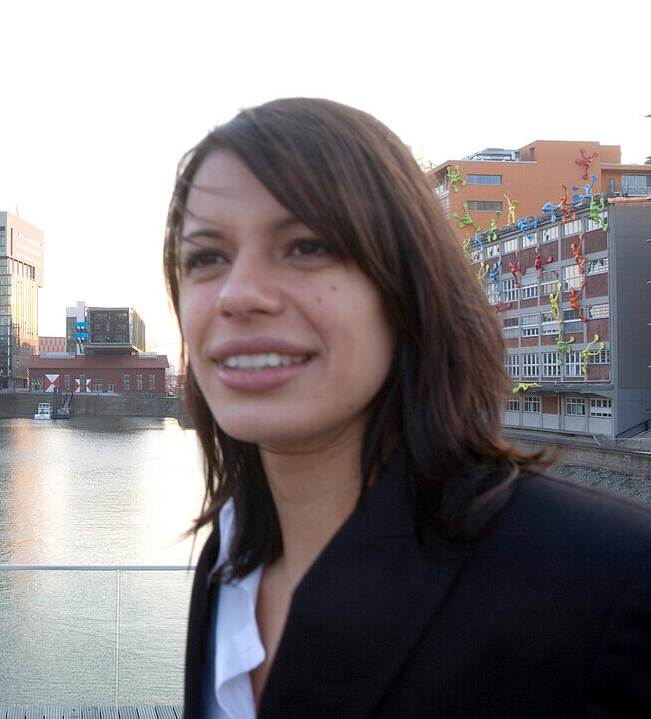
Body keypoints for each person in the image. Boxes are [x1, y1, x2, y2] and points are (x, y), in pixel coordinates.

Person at [164, 98, 650, 718]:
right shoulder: (227, 565)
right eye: (206, 257)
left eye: (308, 246)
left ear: (410, 288)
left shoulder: (611, 587)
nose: (238, 295)